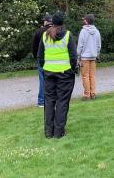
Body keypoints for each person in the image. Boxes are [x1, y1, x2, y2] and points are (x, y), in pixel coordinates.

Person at [37, 11, 78, 139]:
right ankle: (58, 132)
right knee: (62, 102)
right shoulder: (67, 35)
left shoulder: (45, 35)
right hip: (64, 74)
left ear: (52, 23)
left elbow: (40, 56)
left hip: (49, 73)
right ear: (62, 23)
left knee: (49, 101)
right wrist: (72, 70)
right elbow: (73, 57)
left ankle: (48, 132)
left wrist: (45, 68)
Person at [77, 13, 102, 100]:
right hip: (93, 56)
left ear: (87, 21)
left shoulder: (83, 31)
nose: (83, 20)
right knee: (92, 75)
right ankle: (93, 93)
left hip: (84, 57)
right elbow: (99, 45)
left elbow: (80, 45)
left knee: (85, 75)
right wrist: (97, 53)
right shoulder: (97, 31)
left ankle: (87, 94)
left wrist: (78, 55)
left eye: (84, 19)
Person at [32, 14, 53, 107]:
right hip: (53, 58)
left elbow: (34, 46)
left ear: (46, 21)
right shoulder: (56, 31)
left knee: (42, 80)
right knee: (53, 79)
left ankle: (41, 101)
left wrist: (36, 56)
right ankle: (52, 100)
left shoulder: (39, 31)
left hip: (41, 58)